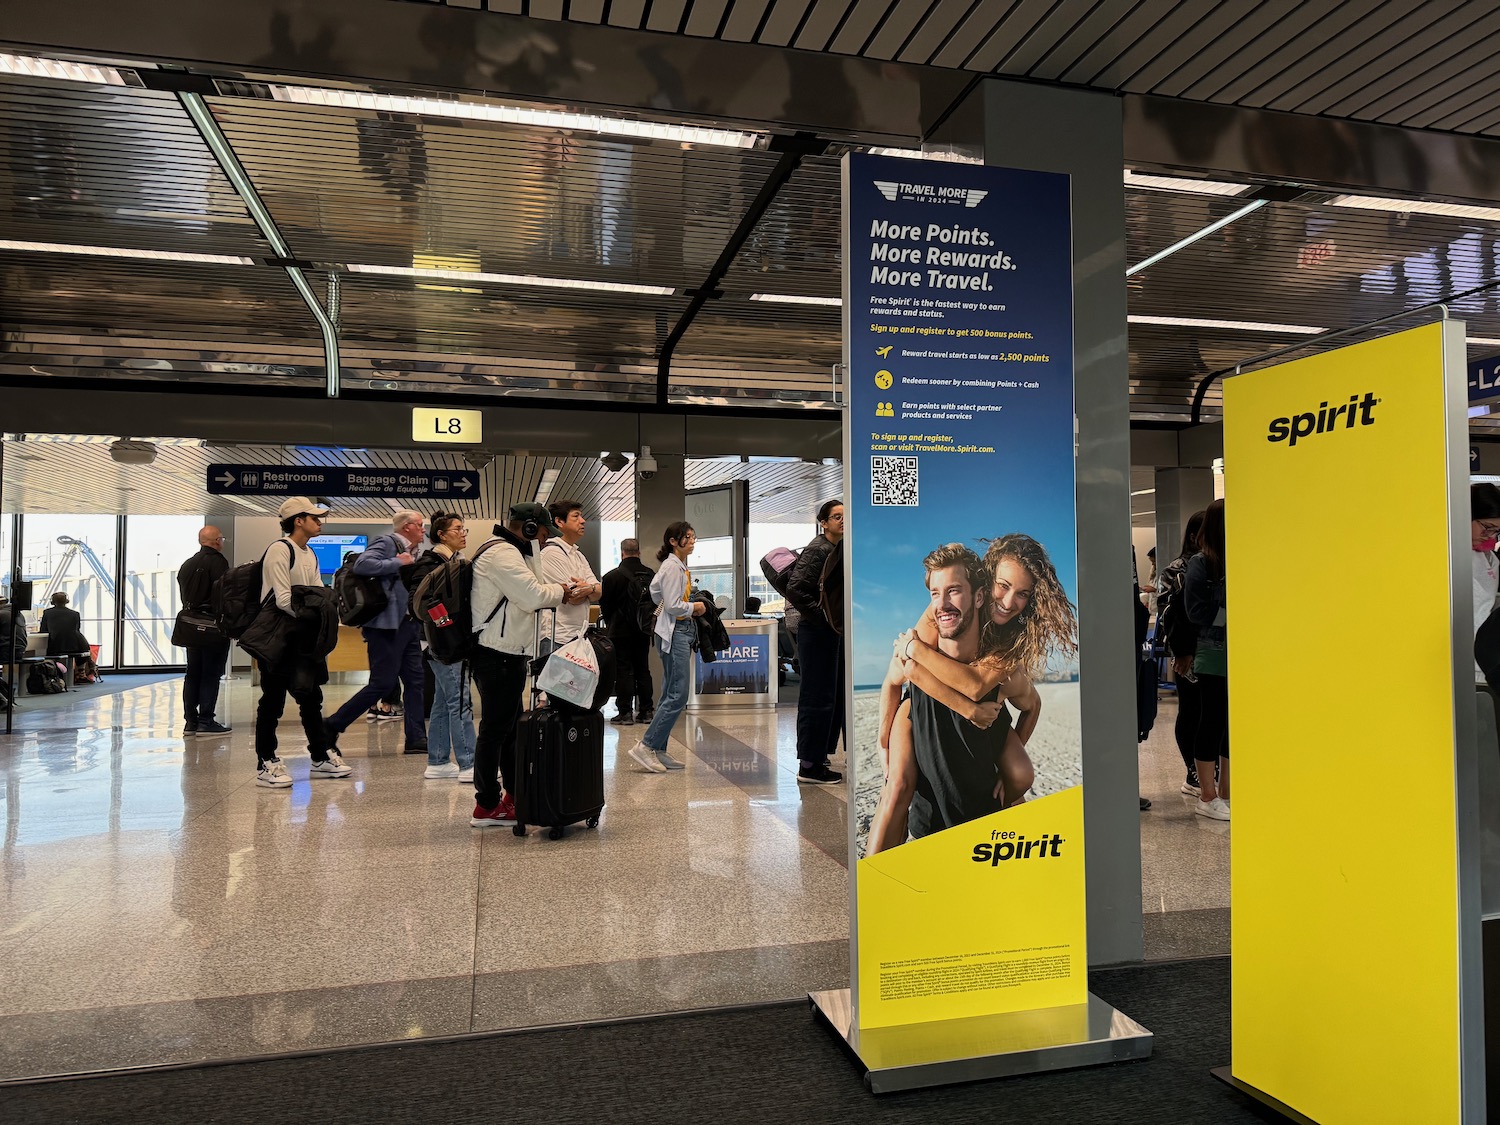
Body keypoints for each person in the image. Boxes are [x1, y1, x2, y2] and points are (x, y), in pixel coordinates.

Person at [870, 536, 1074, 851]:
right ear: (985, 583)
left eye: (1022, 594)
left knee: (1016, 781)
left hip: (982, 701)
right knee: (897, 786)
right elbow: (900, 675)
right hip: (924, 703)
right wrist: (883, 742)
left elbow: (976, 685)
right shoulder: (945, 605)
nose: (1008, 602)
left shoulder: (1012, 640)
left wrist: (913, 652)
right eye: (1003, 586)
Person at [468, 503, 589, 827]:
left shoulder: (511, 551)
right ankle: (487, 804)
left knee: (507, 730)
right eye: (542, 532)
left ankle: (512, 795)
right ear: (531, 527)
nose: (544, 540)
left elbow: (532, 586)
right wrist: (562, 590)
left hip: (508, 651)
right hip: (497, 653)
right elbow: (534, 594)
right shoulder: (502, 555)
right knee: (495, 731)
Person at [254, 497, 351, 788]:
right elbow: (283, 599)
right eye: (314, 517)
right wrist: (314, 610)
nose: (319, 522)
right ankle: (265, 761)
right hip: (280, 637)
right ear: (298, 520)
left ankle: (320, 756)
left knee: (311, 698)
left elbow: (319, 593)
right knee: (272, 701)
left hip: (304, 637)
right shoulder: (279, 550)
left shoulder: (310, 552)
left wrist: (320, 609)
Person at [324, 510, 427, 758]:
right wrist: (397, 562)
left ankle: (416, 738)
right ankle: (332, 725)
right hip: (385, 627)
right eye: (420, 525)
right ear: (406, 527)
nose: (424, 530)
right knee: (382, 683)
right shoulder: (387, 542)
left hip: (407, 624)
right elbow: (363, 564)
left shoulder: (413, 551)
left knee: (415, 682)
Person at [627, 522, 707, 773]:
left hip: (676, 632)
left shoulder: (677, 566)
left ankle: (658, 749)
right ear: (673, 541)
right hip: (676, 633)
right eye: (687, 537)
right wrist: (695, 607)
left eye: (694, 536)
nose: (692, 541)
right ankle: (647, 745)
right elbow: (672, 605)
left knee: (670, 693)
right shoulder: (673, 567)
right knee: (678, 694)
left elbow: (655, 592)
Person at [401, 512, 476, 781]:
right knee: (459, 699)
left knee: (444, 701)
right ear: (442, 535)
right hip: (443, 643)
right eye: (458, 529)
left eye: (464, 528)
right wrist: (445, 625)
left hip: (442, 641)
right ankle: (469, 763)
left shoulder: (451, 561)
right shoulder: (431, 563)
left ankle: (438, 760)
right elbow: (417, 603)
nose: (463, 533)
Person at [786, 499, 846, 785]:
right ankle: (809, 766)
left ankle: (819, 757)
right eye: (836, 517)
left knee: (827, 697)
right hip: (817, 631)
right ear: (824, 522)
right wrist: (824, 618)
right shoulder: (818, 549)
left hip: (828, 631)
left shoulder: (837, 548)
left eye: (845, 516)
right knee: (816, 698)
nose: (842, 521)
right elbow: (796, 588)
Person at [1184, 498, 1230, 821]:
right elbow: (1195, 611)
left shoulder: (1237, 558)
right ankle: (1206, 794)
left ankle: (1226, 791)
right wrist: (1228, 615)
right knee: (1210, 721)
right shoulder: (1200, 564)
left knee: (1231, 725)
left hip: (1237, 657)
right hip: (1211, 655)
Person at [1156, 510, 1207, 796]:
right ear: (1192, 536)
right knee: (1192, 712)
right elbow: (1171, 615)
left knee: (1212, 714)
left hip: (1215, 651)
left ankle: (1210, 771)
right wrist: (1182, 650)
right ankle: (1193, 772)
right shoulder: (1178, 569)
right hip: (1190, 652)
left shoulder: (1219, 564)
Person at [176, 527, 232, 737]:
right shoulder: (219, 562)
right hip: (212, 625)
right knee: (211, 673)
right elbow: (223, 594)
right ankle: (206, 720)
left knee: (193, 672)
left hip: (190, 625)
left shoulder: (188, 563)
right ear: (217, 541)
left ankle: (190, 722)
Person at [599, 538, 654, 726]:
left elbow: (605, 606)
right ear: (638, 552)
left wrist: (611, 623)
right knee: (642, 668)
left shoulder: (610, 577)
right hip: (643, 631)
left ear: (622, 553)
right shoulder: (650, 574)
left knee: (623, 670)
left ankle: (625, 713)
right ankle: (646, 711)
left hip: (620, 631)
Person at [537, 499, 601, 659]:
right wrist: (589, 589)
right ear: (559, 521)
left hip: (577, 636)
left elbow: (598, 592)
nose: (583, 521)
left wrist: (590, 589)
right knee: (555, 685)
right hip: (557, 636)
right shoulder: (551, 553)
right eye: (576, 516)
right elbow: (573, 596)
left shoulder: (577, 555)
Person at [1472, 484, 1500, 677]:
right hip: (1458, 656)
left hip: (1484, 657)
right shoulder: (1445, 556)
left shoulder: (1489, 557)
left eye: (1496, 532)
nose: (1489, 537)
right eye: (1487, 528)